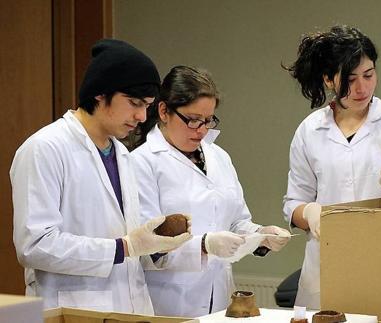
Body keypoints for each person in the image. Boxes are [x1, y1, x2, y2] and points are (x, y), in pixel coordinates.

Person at [10, 39, 192, 314]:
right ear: (99, 93)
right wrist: (123, 248)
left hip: (129, 309)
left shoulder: (122, 155)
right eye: (134, 103)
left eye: (147, 106)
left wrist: (155, 245)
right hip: (72, 311)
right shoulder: (44, 149)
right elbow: (34, 246)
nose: (142, 116)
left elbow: (127, 244)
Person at [282, 25, 381, 309]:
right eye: (350, 79)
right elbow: (294, 204)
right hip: (328, 259)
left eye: (369, 75)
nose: (362, 88)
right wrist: (312, 213)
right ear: (329, 80)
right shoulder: (310, 130)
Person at [131, 65, 291, 317]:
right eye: (193, 120)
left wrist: (261, 235)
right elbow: (148, 247)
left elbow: (237, 220)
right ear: (163, 111)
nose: (202, 130)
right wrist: (204, 246)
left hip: (220, 298)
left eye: (208, 120)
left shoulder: (219, 157)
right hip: (169, 303)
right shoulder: (142, 162)